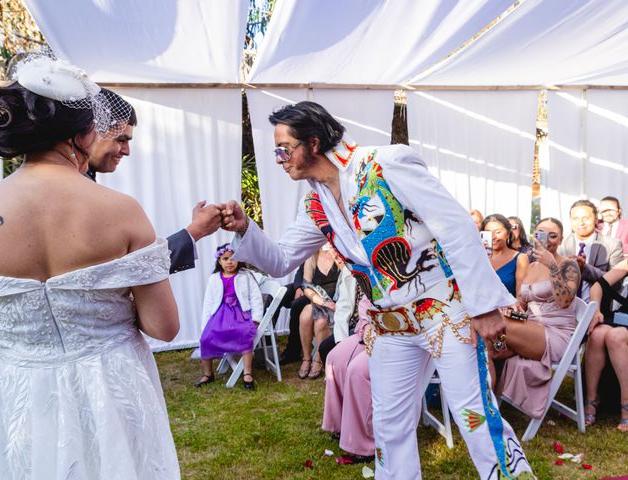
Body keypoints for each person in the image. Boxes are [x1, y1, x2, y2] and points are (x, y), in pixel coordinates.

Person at [220, 101, 533, 479]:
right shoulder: (316, 202)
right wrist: (243, 228)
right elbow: (282, 258)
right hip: (389, 323)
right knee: (389, 424)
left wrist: (484, 306)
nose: (278, 159)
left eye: (283, 149)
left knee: (474, 414)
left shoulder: (384, 163)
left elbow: (455, 225)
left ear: (313, 143)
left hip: (442, 311)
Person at [0, 56, 183, 478]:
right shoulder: (122, 211)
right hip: (112, 389)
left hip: (22, 393)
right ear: (84, 131)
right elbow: (164, 326)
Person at [86, 88, 222, 274]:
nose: (127, 151)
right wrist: (196, 231)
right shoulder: (82, 196)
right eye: (121, 140)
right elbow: (127, 272)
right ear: (91, 133)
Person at [492, 218, 580, 418]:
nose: (547, 240)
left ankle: (493, 407)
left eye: (553, 235)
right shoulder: (531, 267)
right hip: (530, 328)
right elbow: (522, 306)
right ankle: (490, 408)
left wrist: (551, 266)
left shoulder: (569, 265)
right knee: (488, 348)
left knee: (495, 324)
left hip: (555, 336)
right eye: (541, 233)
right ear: (534, 236)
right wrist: (510, 310)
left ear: (561, 239)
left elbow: (565, 300)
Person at [196, 244, 263, 389]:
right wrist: (205, 324)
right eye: (225, 259)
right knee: (206, 337)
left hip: (241, 313)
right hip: (220, 314)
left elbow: (256, 297)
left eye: (233, 258)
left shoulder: (246, 276)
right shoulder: (214, 278)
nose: (229, 262)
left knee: (244, 333)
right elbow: (208, 302)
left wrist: (256, 318)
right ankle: (208, 373)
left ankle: (247, 372)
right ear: (219, 261)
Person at [323, 296, 374, 463]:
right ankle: (341, 425)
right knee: (334, 358)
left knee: (357, 370)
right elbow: (366, 301)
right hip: (367, 330)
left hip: (397, 337)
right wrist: (366, 326)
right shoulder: (374, 272)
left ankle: (366, 443)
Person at [584, 260, 628, 432]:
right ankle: (591, 401)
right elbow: (597, 286)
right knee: (597, 334)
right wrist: (595, 310)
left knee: (615, 337)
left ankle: (626, 405)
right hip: (623, 316)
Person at [298, 244, 352, 379]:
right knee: (305, 316)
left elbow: (348, 277)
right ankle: (306, 358)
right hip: (318, 299)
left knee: (321, 321)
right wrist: (321, 302)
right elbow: (305, 286)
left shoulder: (339, 254)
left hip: (338, 300)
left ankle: (319, 358)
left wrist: (336, 254)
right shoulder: (311, 256)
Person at [558, 199, 623, 301]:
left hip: (598, 310)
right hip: (564, 308)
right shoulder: (560, 243)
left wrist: (585, 269)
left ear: (596, 219)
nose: (581, 223)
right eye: (575, 218)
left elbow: (616, 284)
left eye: (586, 218)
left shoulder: (613, 245)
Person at [482, 214, 529, 296]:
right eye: (488, 232)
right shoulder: (479, 258)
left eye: (498, 232)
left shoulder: (520, 258)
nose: (493, 237)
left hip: (507, 307)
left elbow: (521, 296)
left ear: (507, 233)